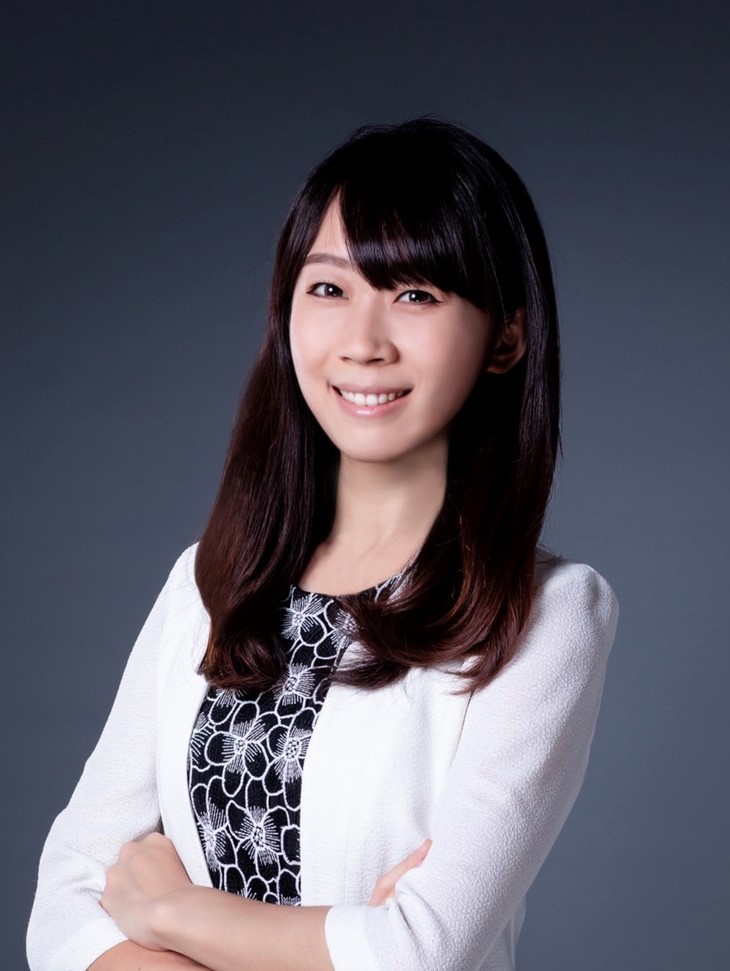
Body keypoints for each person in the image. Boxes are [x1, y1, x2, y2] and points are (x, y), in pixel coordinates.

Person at [26, 117, 619, 971]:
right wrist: (339, 941)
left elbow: (420, 951)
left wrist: (171, 911)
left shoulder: (545, 613)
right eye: (331, 287)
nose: (363, 343)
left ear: (506, 338)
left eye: (415, 294)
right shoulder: (209, 581)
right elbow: (63, 903)